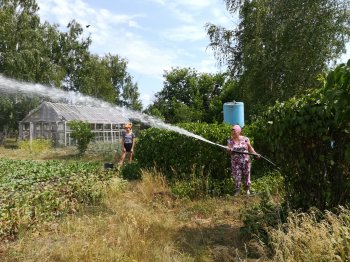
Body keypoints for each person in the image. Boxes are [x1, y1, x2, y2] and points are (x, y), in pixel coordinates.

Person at [227, 124, 260, 196]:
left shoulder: (246, 139)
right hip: (235, 162)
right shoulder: (230, 141)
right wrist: (229, 150)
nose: (233, 133)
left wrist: (256, 154)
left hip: (246, 161)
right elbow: (229, 152)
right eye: (232, 132)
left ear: (239, 132)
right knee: (237, 175)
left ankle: (247, 190)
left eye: (234, 132)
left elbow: (250, 148)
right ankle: (237, 191)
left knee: (247, 174)